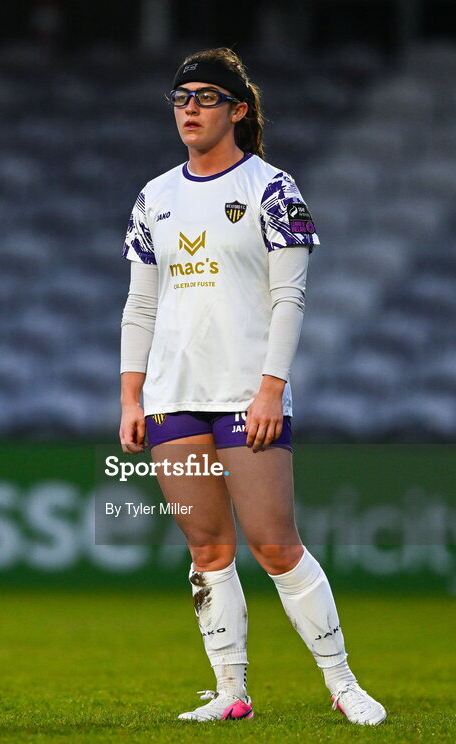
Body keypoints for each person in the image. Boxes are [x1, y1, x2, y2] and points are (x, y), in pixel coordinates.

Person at [118, 48, 386, 725]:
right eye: (181, 99)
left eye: (206, 98)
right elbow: (140, 305)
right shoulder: (155, 196)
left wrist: (271, 388)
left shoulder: (272, 188)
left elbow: (289, 299)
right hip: (173, 394)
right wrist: (131, 395)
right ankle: (231, 692)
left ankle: (343, 682)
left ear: (238, 110)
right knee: (207, 550)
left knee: (273, 543)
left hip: (246, 392)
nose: (190, 110)